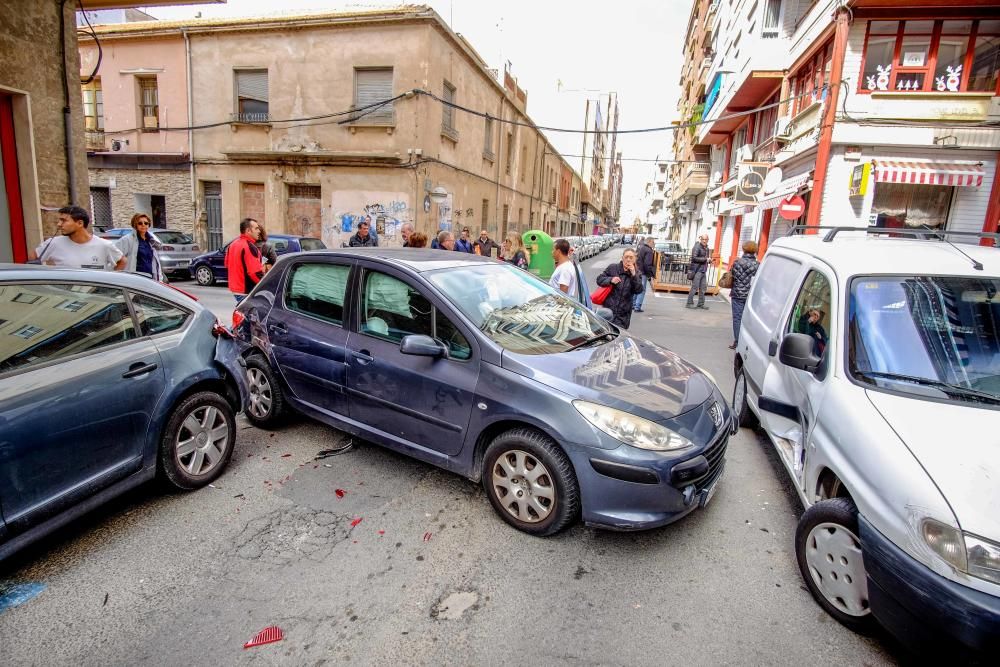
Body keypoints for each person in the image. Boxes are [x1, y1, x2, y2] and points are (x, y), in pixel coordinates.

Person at [28, 205, 125, 270]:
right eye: (59, 221)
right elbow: (33, 258)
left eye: (63, 221)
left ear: (80, 223)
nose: (59, 224)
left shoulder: (104, 245)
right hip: (64, 298)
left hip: (95, 299)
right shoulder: (54, 243)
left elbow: (122, 261)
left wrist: (109, 287)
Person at [596, 248, 643, 329]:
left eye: (631, 257)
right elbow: (599, 279)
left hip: (622, 317)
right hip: (608, 313)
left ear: (635, 259)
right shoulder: (613, 268)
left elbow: (638, 290)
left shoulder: (637, 273)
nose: (628, 259)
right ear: (622, 258)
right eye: (626, 257)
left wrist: (634, 275)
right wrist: (610, 280)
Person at [224, 218, 264, 304]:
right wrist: (265, 285)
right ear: (248, 231)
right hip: (246, 290)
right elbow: (255, 273)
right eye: (256, 228)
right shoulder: (249, 246)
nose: (259, 231)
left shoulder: (233, 244)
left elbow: (227, 264)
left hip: (235, 289)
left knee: (244, 314)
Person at [729, 240, 760, 349]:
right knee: (749, 319)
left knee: (737, 318)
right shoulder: (758, 265)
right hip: (751, 296)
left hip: (738, 293)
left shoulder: (737, 262)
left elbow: (732, 275)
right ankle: (748, 342)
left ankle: (737, 341)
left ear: (744, 249)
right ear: (755, 251)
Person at [116, 213, 164, 280]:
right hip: (135, 278)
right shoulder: (127, 239)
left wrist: (159, 278)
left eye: (146, 223)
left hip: (150, 278)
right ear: (135, 225)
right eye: (140, 223)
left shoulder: (151, 240)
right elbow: (115, 257)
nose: (143, 225)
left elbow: (155, 262)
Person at [686, 233, 712, 310]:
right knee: (695, 287)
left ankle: (701, 304)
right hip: (697, 270)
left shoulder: (706, 248)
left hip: (703, 270)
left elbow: (705, 258)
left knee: (703, 288)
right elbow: (694, 258)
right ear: (700, 239)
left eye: (706, 239)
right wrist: (705, 259)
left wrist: (709, 261)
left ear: (708, 240)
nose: (704, 241)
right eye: (703, 239)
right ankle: (689, 303)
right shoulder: (697, 246)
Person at [634, 237, 655, 313]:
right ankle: (637, 306)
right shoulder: (649, 251)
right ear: (649, 242)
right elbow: (647, 264)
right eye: (653, 242)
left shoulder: (642, 248)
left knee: (637, 288)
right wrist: (649, 275)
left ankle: (633, 305)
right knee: (642, 290)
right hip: (643, 272)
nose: (654, 244)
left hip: (638, 271)